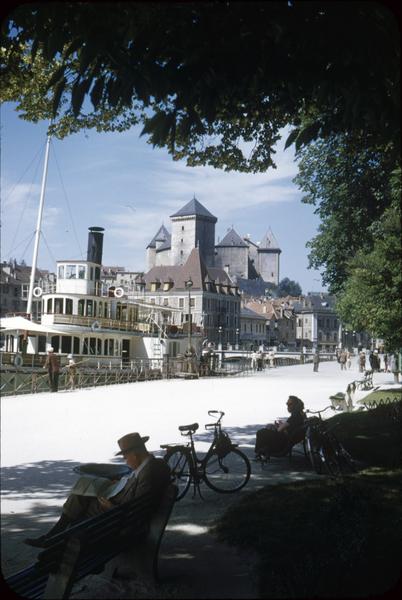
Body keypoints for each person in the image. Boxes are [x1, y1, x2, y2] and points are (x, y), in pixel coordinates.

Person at [24, 432, 171, 548]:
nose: (125, 461)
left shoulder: (148, 474)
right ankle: (53, 536)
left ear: (135, 454)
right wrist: (120, 482)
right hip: (121, 505)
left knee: (81, 499)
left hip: (118, 519)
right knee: (83, 490)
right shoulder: (155, 465)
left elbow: (136, 511)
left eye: (125, 457)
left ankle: (54, 538)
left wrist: (110, 507)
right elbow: (138, 492)